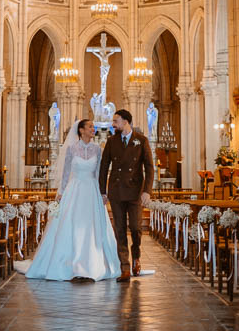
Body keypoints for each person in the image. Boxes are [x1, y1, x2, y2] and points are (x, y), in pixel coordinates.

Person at [14, 120, 121, 282]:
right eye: (90, 127)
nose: (94, 129)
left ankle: (93, 263)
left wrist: (103, 192)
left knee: (92, 226)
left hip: (92, 191)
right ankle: (69, 263)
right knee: (71, 225)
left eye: (93, 127)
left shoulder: (97, 149)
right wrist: (61, 192)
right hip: (75, 190)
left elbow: (100, 173)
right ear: (81, 130)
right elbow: (66, 173)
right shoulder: (72, 149)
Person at [99, 108, 156, 282]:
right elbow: (103, 167)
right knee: (120, 229)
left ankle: (136, 256)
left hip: (135, 191)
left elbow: (149, 167)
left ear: (126, 121)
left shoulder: (142, 140)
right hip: (116, 191)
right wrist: (103, 191)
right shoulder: (111, 141)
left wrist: (147, 191)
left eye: (116, 121)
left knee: (136, 228)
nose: (113, 124)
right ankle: (124, 267)